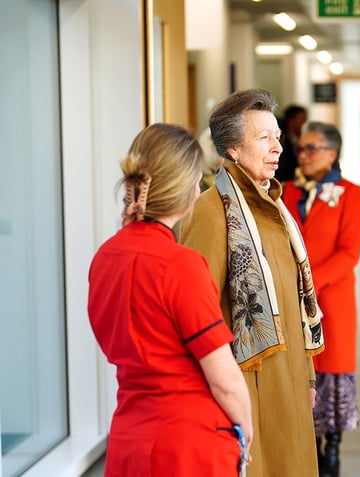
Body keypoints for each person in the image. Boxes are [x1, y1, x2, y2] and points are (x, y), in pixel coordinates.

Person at [87, 123, 253, 476]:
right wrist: (246, 430)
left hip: (129, 440)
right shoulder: (182, 266)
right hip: (190, 444)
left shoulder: (105, 257)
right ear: (188, 189)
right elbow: (223, 378)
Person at [180, 88, 324, 477]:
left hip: (290, 379)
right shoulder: (211, 213)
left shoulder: (276, 207)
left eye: (277, 136)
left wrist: (308, 377)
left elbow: (295, 302)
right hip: (248, 386)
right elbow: (196, 313)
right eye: (264, 138)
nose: (278, 147)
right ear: (232, 149)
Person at [281, 122, 360, 477]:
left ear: (332, 153)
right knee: (296, 370)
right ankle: (307, 448)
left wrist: (309, 283)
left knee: (330, 371)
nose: (303, 154)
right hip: (287, 299)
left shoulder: (350, 193)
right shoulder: (283, 191)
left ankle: (331, 448)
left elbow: (350, 252)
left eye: (312, 148)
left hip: (330, 301)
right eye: (301, 148)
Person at [275, 104, 308, 183]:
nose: (305, 123)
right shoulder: (279, 141)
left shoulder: (301, 140)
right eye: (302, 119)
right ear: (291, 120)